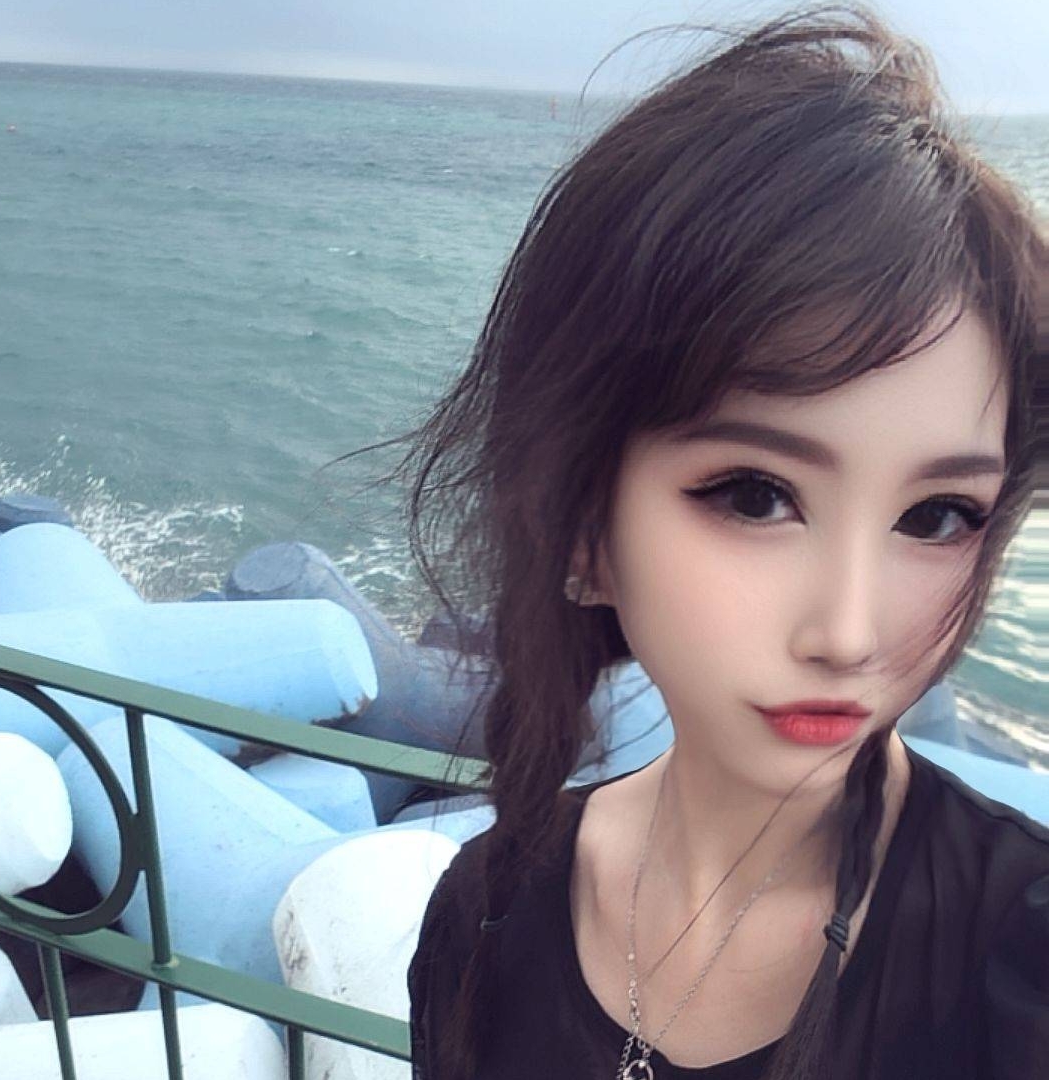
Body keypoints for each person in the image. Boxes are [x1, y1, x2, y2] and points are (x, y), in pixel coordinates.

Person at [399, 5, 1049, 1078]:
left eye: (938, 516)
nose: (849, 633)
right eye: (756, 496)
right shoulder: (485, 910)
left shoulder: (1018, 960)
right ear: (580, 527)